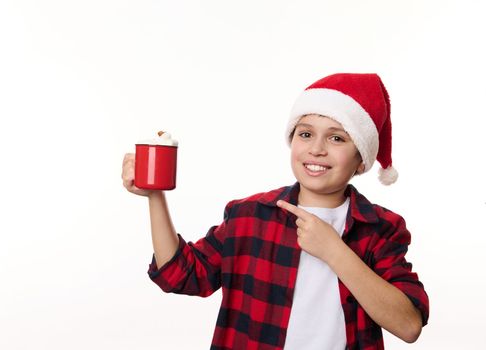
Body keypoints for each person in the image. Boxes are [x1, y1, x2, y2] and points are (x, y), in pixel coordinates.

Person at [122, 73, 429, 349]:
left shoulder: (380, 229)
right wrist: (155, 197)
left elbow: (408, 325)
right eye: (305, 134)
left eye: (337, 138)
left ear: (361, 158)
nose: (316, 149)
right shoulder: (250, 216)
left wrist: (334, 251)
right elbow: (180, 275)